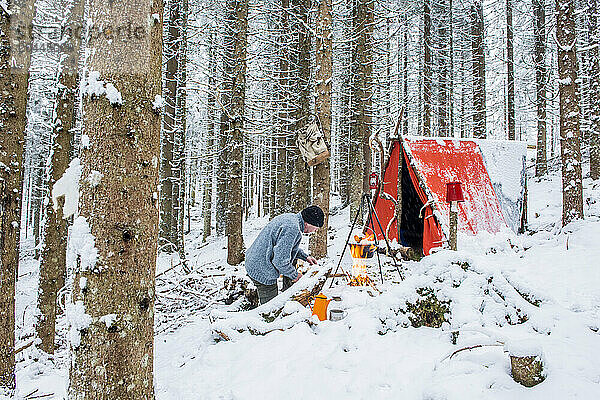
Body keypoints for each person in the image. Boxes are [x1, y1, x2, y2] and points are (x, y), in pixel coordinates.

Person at [245, 205, 324, 305]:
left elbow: (284, 248)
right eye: (316, 228)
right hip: (262, 268)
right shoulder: (292, 228)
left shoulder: (291, 218)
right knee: (270, 310)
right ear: (308, 223)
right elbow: (280, 261)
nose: (315, 231)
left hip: (255, 260)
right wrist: (295, 275)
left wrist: (305, 257)